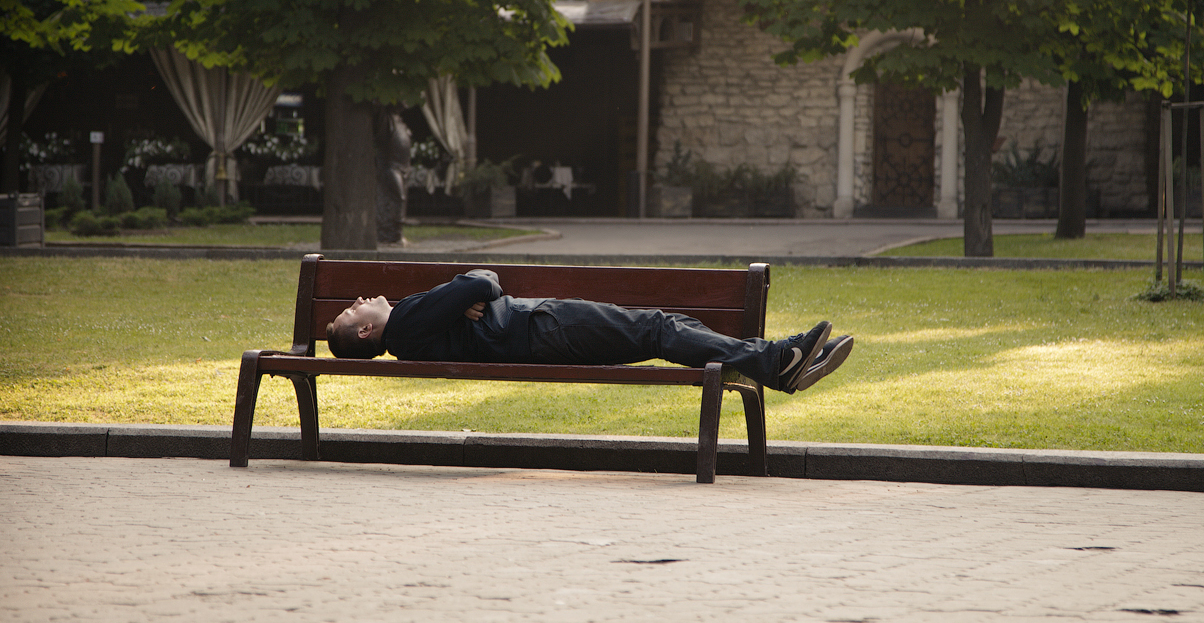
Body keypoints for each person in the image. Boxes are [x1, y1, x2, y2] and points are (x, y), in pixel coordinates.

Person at [325, 269, 853, 393]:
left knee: (661, 328)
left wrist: (468, 299)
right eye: (351, 314)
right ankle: (775, 362)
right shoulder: (410, 321)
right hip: (544, 328)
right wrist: (471, 293)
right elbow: (485, 278)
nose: (357, 302)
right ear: (368, 336)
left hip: (539, 334)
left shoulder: (412, 328)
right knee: (658, 329)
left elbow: (477, 289)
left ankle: (776, 358)